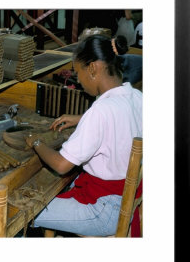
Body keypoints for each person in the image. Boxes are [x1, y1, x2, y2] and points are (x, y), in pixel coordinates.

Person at [25, 34, 142, 236]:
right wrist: (82, 118)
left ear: (92, 68)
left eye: (78, 73)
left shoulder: (100, 111)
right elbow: (120, 119)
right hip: (125, 199)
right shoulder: (137, 96)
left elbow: (62, 166)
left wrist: (36, 142)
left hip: (103, 210)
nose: (78, 81)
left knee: (22, 212)